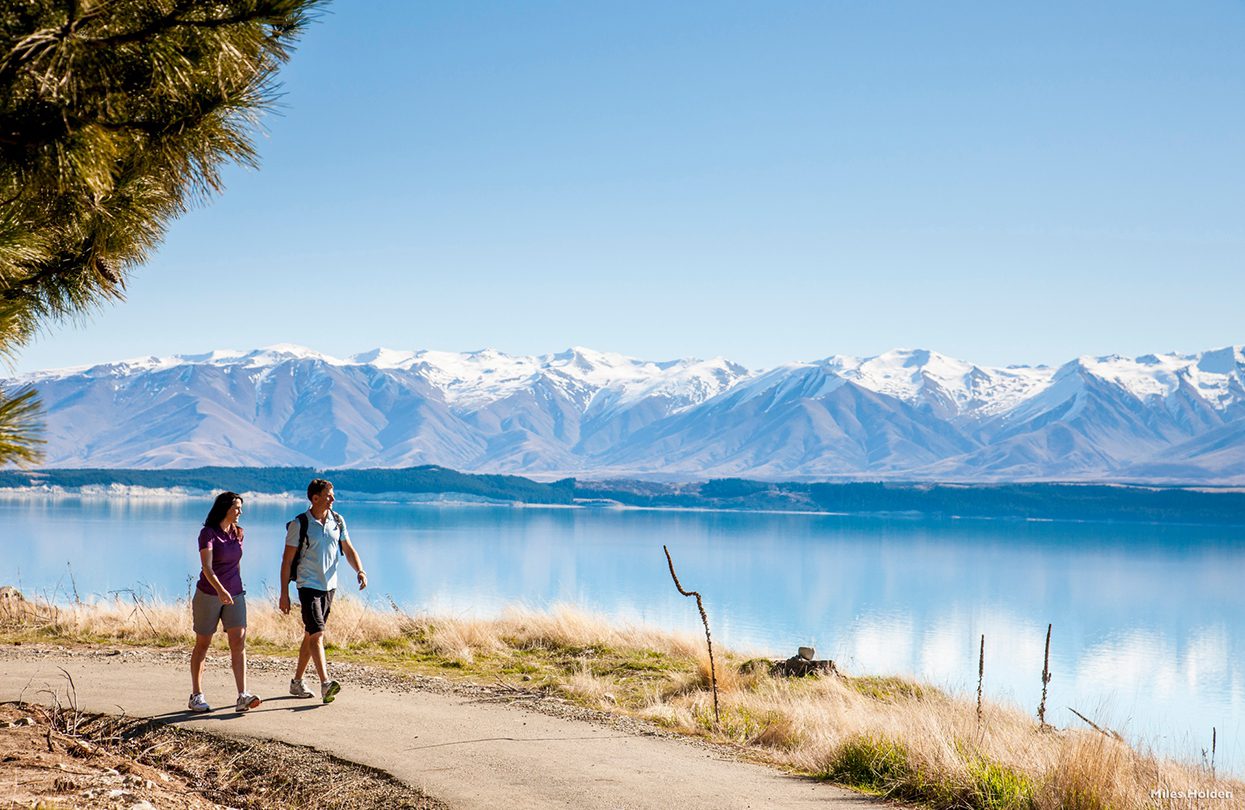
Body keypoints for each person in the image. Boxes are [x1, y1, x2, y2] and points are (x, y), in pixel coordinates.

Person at [279, 478, 367, 703]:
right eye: (329, 495)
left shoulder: (338, 520)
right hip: (307, 585)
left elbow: (347, 549)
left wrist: (360, 570)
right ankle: (325, 683)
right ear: (315, 498)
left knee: (310, 634)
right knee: (317, 634)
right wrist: (284, 594)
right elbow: (287, 560)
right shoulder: (300, 524)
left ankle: (297, 682)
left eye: (332, 494)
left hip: (330, 586)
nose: (333, 498)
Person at [189, 491, 262, 713]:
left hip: (235, 594)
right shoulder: (208, 534)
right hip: (209, 595)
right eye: (237, 508)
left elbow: (236, 563)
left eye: (240, 508)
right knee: (203, 644)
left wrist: (234, 589)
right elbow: (207, 568)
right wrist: (220, 590)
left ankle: (242, 695)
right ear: (225, 509)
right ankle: (196, 696)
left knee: (238, 643)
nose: (240, 511)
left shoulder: (238, 533)